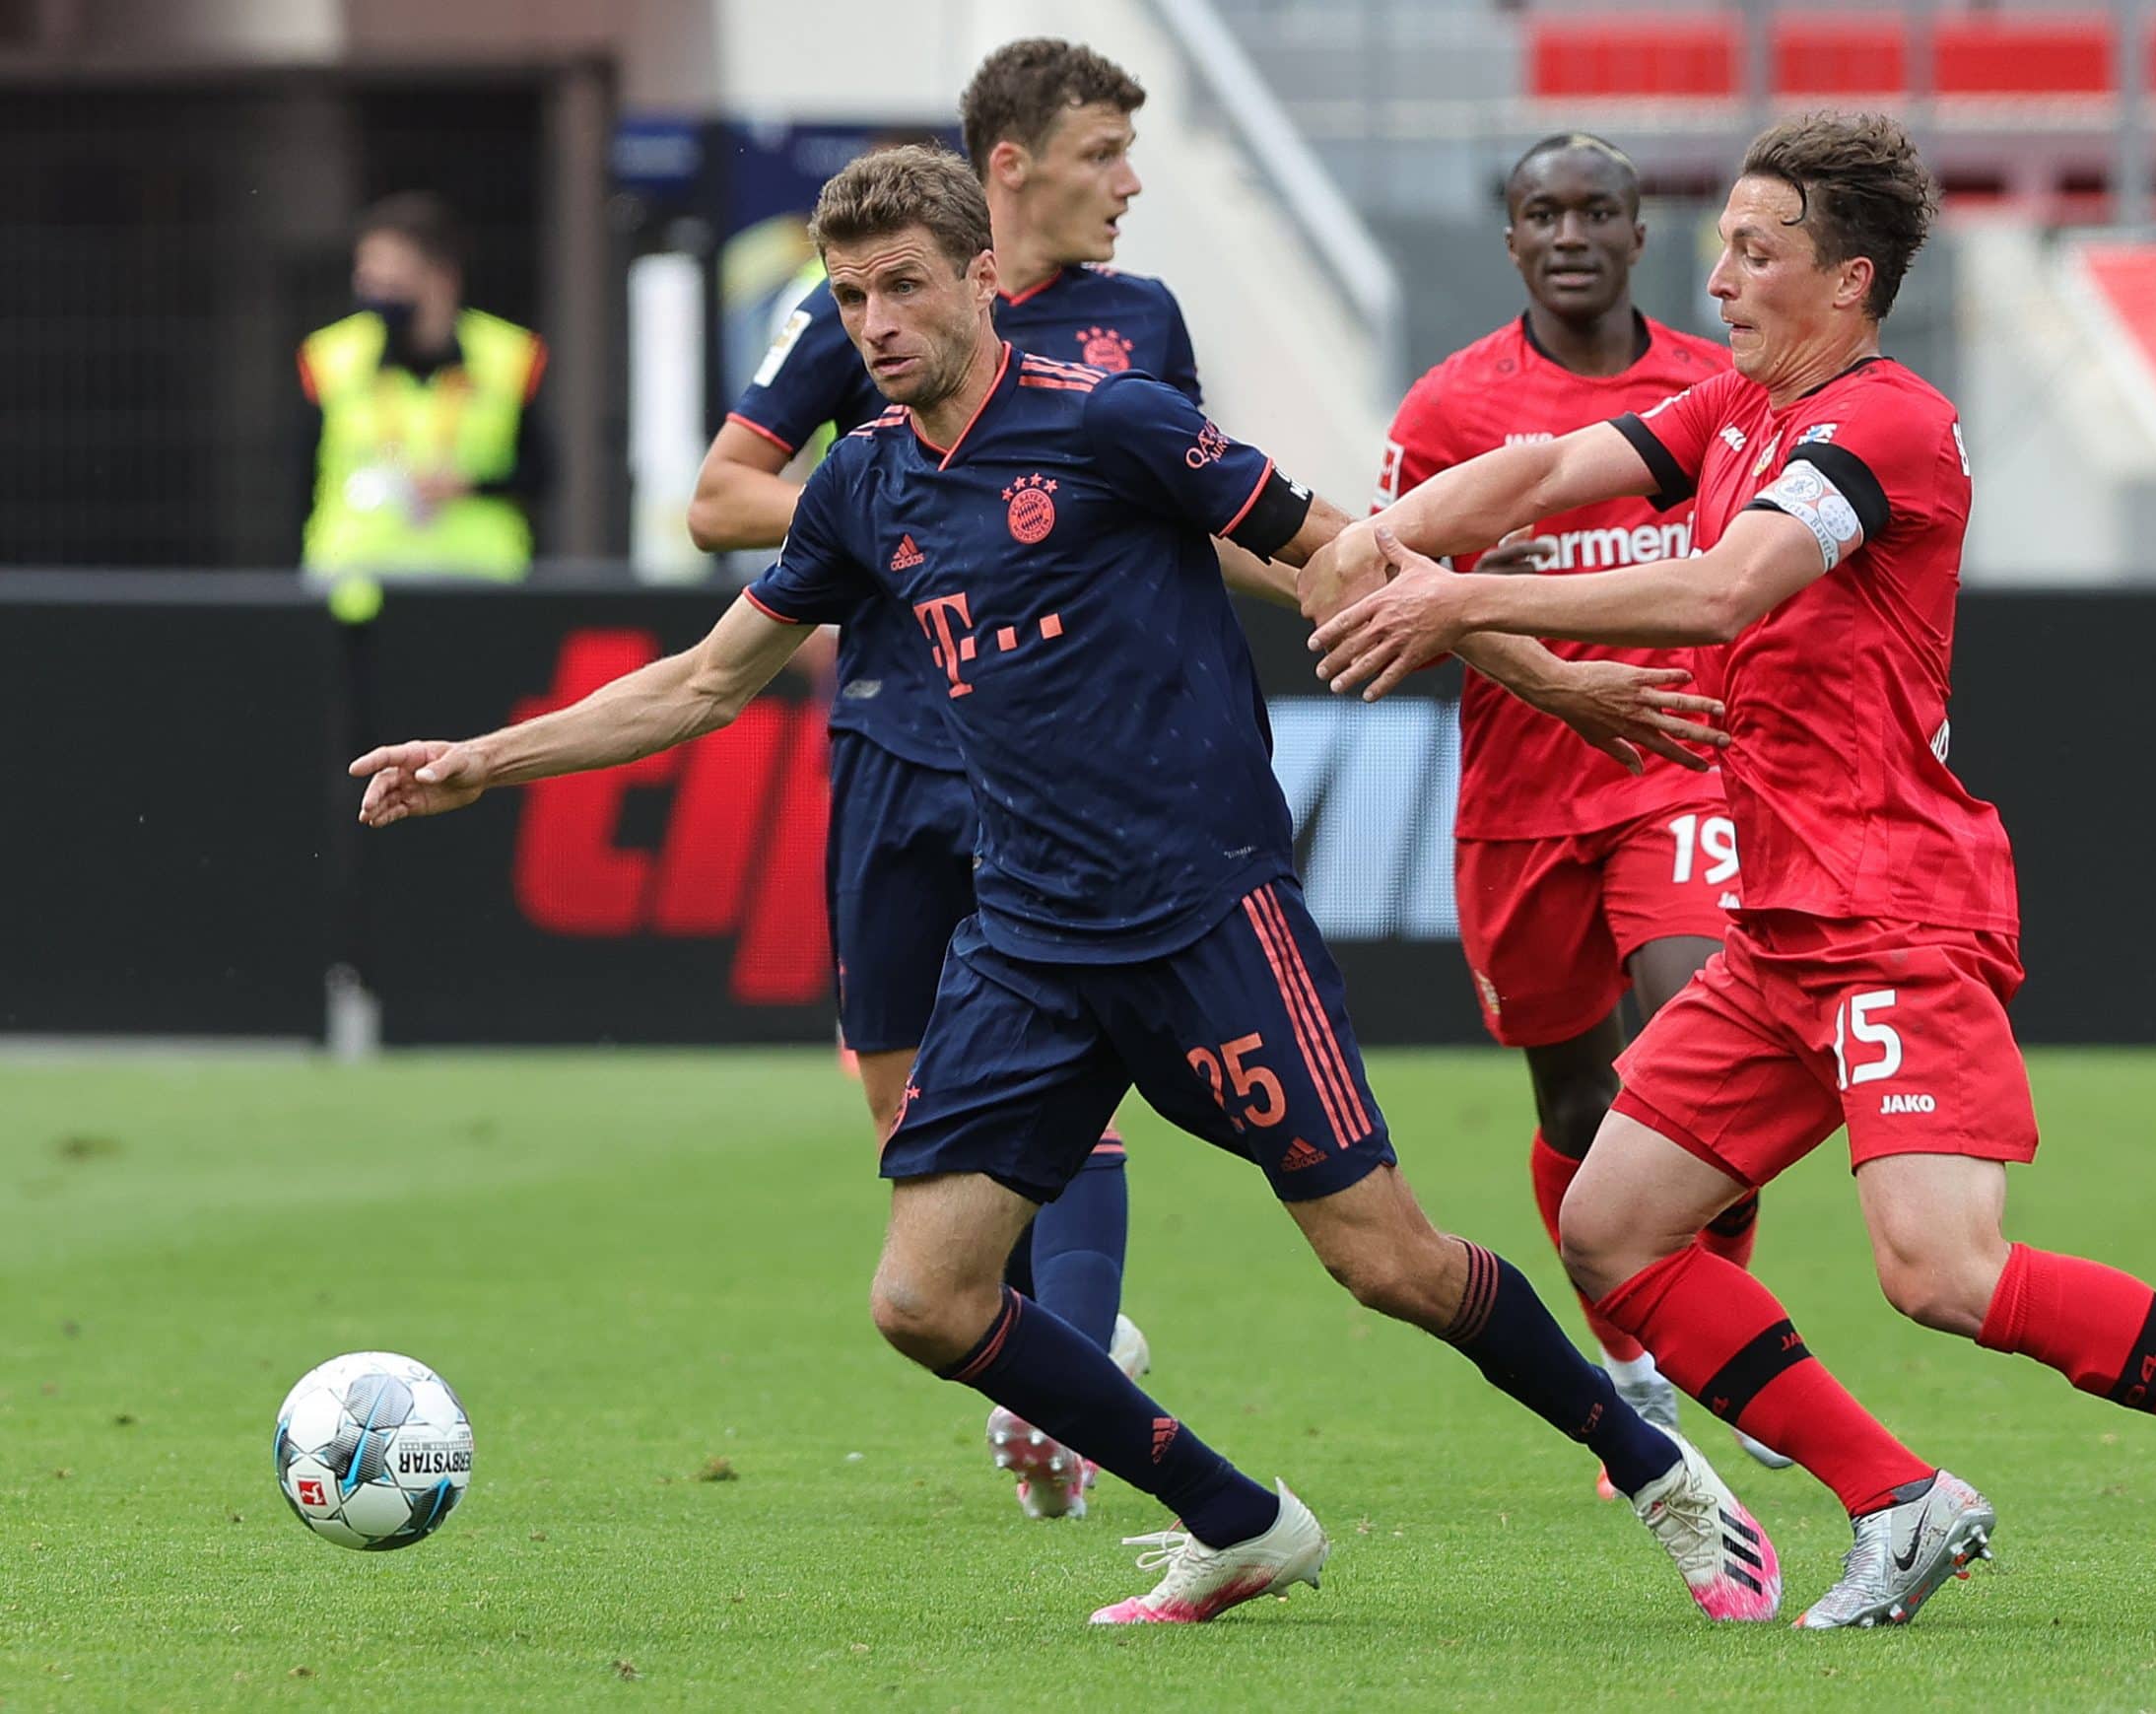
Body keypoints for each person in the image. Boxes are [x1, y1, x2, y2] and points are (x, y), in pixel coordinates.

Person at [353, 144, 1781, 1629]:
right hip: (1029, 938)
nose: (877, 322)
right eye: (850, 298)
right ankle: (1237, 1517)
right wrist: (486, 760)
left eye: (904, 285)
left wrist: (1540, 664)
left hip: (1208, 913)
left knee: (1391, 1262)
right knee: (925, 1299)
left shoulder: (1115, 423)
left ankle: (1662, 1469)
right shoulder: (858, 483)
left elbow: (1342, 560)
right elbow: (709, 683)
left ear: (982, 276)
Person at [1308, 111, 2156, 1634]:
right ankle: (1900, 1497)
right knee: (1615, 1226)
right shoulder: (1734, 407)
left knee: (1943, 1272)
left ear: (1847, 280)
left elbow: (1721, 589)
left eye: (1757, 253)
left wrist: (1456, 603)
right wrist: (1377, 535)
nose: (1721, 281)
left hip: (1896, 910)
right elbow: (1560, 459)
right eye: (1724, 249)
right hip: (1782, 920)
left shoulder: (1884, 424)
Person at [686, 38, 1226, 1524]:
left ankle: (1090, 1346)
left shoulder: (1139, 323)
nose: (1128, 181)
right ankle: (1040, 1365)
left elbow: (1172, 513)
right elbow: (718, 495)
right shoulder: (869, 303)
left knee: (1057, 1054)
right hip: (884, 731)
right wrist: (902, 508)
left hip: (1048, 754)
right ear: (1015, 166)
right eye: (1107, 150)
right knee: (901, 1100)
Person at [1376, 131, 1785, 1493]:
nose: (1570, 232)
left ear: (1636, 232)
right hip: (1522, 797)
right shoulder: (1451, 406)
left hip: (1682, 769)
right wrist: (1559, 679)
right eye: (1542, 212)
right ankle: (1636, 1364)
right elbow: (1383, 584)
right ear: (1510, 240)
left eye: (1596, 210)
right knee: (1576, 1099)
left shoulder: (1716, 389)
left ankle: (1718, 1349)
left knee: (1699, 1043)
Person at [298, 192, 550, 582]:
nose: (375, 287)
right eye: (367, 272)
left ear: (441, 276)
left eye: (392, 271)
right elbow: (299, 480)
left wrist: (471, 486)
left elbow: (541, 471)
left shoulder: (506, 355)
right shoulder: (332, 356)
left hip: (477, 584)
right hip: (355, 588)